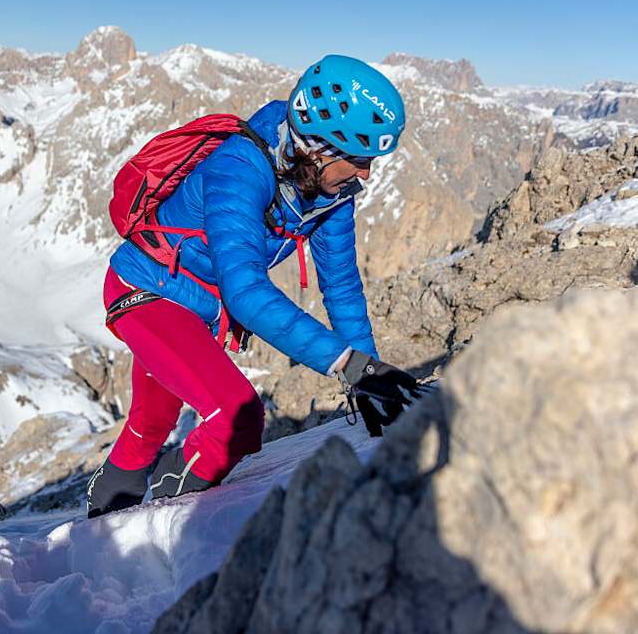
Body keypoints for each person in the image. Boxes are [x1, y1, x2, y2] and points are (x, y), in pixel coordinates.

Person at [88, 55, 423, 518]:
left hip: (198, 310)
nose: (366, 174)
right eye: (358, 159)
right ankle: (162, 522)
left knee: (151, 424)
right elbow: (244, 290)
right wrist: (347, 365)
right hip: (147, 292)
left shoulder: (333, 192)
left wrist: (369, 375)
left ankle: (99, 526)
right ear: (317, 148)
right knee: (236, 418)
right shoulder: (239, 167)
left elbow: (342, 286)